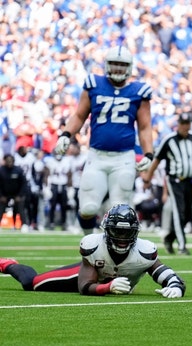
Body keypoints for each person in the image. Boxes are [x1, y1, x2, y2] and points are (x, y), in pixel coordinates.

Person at [54, 46, 155, 235]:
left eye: (122, 64)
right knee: (88, 208)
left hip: (124, 157)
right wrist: (66, 134)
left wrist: (149, 153)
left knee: (120, 209)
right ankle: (89, 244)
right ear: (107, 65)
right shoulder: (94, 84)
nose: (118, 68)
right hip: (97, 155)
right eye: (114, 64)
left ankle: (112, 251)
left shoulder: (139, 91)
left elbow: (144, 126)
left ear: (130, 67)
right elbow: (79, 115)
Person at [0, 204, 185, 298]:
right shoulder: (93, 246)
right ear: (106, 230)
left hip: (110, 281)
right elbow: (84, 286)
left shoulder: (145, 251)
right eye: (117, 231)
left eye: (126, 232)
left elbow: (168, 275)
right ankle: (7, 264)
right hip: (89, 276)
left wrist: (176, 287)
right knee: (31, 283)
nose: (121, 238)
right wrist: (107, 287)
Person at [143, 112, 192, 255]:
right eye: (183, 124)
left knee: (187, 214)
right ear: (178, 125)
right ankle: (182, 246)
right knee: (178, 211)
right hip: (174, 180)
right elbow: (156, 160)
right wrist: (147, 178)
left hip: (190, 181)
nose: (185, 127)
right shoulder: (169, 140)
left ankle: (169, 238)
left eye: (187, 123)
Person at [0, 154, 28, 231]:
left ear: (13, 161)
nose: (9, 162)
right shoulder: (1, 170)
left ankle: (24, 225)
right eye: (7, 161)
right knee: (1, 207)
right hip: (4, 194)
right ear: (5, 161)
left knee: (20, 207)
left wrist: (20, 195)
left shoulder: (18, 170)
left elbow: (24, 183)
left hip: (17, 194)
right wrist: (1, 196)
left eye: (11, 161)